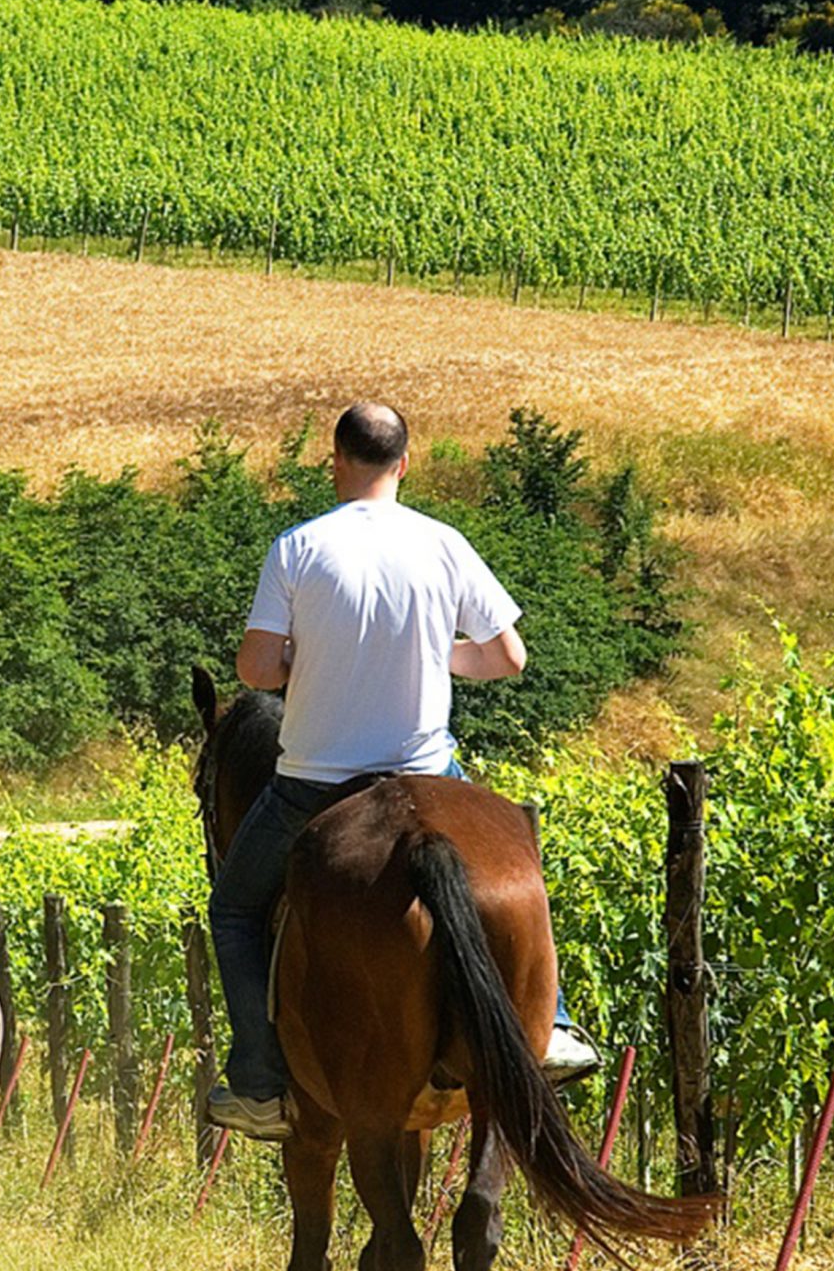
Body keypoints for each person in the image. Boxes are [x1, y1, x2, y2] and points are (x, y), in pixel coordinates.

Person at [205, 403, 603, 1142]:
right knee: (516, 857)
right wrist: (433, 653)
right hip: (428, 770)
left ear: (336, 462)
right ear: (405, 464)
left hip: (315, 782)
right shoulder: (444, 543)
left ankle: (259, 1081)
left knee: (232, 909)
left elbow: (256, 668)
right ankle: (553, 1027)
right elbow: (508, 656)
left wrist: (307, 661)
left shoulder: (297, 547)